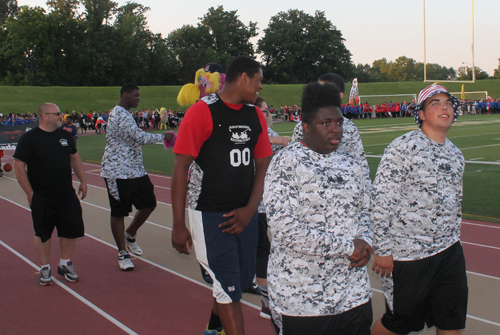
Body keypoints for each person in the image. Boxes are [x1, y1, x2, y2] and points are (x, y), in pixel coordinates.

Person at [171, 55, 272, 335]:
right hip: (209, 214)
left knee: (234, 282)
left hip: (245, 215)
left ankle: (213, 329)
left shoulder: (255, 115)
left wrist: (251, 209)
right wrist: (179, 224)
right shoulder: (202, 111)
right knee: (229, 290)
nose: (260, 87)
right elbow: (180, 168)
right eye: (259, 80)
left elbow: (263, 164)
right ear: (243, 78)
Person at [264, 82, 373, 335]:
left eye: (339, 122)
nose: (336, 130)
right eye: (326, 123)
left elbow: (365, 211)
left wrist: (365, 240)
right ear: (305, 127)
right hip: (303, 299)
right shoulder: (286, 163)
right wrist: (348, 247)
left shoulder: (350, 164)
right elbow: (285, 230)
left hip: (353, 295)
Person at [370, 85, 468, 335]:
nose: (444, 107)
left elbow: (456, 203)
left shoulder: (456, 154)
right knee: (399, 322)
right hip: (410, 254)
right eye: (435, 103)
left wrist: (454, 241)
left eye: (447, 102)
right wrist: (382, 249)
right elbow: (382, 200)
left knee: (451, 319)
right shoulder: (403, 148)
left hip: (449, 250)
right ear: (421, 114)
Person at [101, 83, 174, 271]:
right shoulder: (119, 114)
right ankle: (122, 252)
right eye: (136, 95)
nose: (139, 98)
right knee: (119, 212)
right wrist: (163, 136)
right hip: (116, 171)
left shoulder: (126, 114)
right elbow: (139, 138)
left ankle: (130, 234)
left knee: (149, 203)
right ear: (125, 95)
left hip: (135, 170)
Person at [13, 103, 87, 285]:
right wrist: (29, 192)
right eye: (57, 114)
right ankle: (45, 267)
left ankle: (65, 263)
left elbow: (74, 157)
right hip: (42, 195)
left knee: (71, 229)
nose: (61, 116)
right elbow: (19, 165)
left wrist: (83, 180)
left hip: (66, 194)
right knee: (43, 233)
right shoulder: (29, 139)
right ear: (45, 115)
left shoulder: (65, 136)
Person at [291, 73, 371, 194]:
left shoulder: (349, 128)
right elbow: (293, 161)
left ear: (340, 95)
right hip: (312, 192)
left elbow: (361, 165)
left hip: (342, 193)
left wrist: (366, 194)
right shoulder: (303, 126)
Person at [254, 96, 289, 319]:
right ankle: (267, 300)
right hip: (255, 204)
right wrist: (276, 142)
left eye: (268, 111)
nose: (269, 115)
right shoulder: (253, 134)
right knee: (262, 248)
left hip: (277, 204)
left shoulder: (274, 135)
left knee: (277, 247)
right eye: (264, 112)